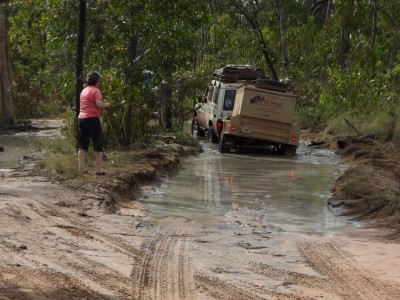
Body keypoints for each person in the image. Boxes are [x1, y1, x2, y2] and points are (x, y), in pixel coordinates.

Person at [77, 71, 111, 175]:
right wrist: (107, 104)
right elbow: (99, 104)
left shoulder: (83, 91)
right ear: (97, 81)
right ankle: (98, 170)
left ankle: (81, 168)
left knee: (83, 145)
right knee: (98, 144)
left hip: (81, 119)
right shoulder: (96, 90)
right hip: (92, 119)